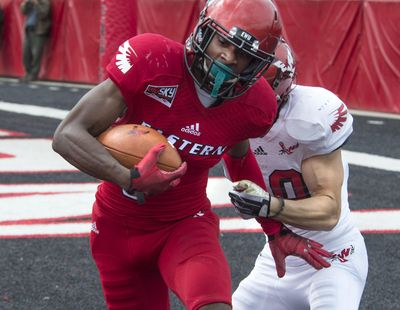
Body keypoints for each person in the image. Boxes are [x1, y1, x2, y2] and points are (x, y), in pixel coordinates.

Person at [52, 0, 329, 308]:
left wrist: (275, 231)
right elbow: (68, 134)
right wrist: (127, 177)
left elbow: (238, 158)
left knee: (214, 305)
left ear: (256, 65)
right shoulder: (153, 61)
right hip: (118, 227)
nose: (227, 56)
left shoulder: (254, 105)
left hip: (185, 224)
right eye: (223, 42)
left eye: (243, 55)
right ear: (204, 33)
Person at [227, 41, 368, 309]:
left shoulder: (310, 115)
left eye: (246, 87)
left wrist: (270, 205)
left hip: (332, 257)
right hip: (277, 258)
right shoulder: (231, 115)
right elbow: (246, 207)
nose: (236, 95)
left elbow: (329, 212)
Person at [20, 0, 51, 82]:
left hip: (39, 31)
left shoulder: (45, 2)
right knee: (25, 54)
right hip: (28, 30)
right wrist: (25, 3)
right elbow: (23, 11)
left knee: (36, 54)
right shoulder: (30, 3)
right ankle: (27, 73)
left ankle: (33, 75)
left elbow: (43, 14)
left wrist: (36, 4)